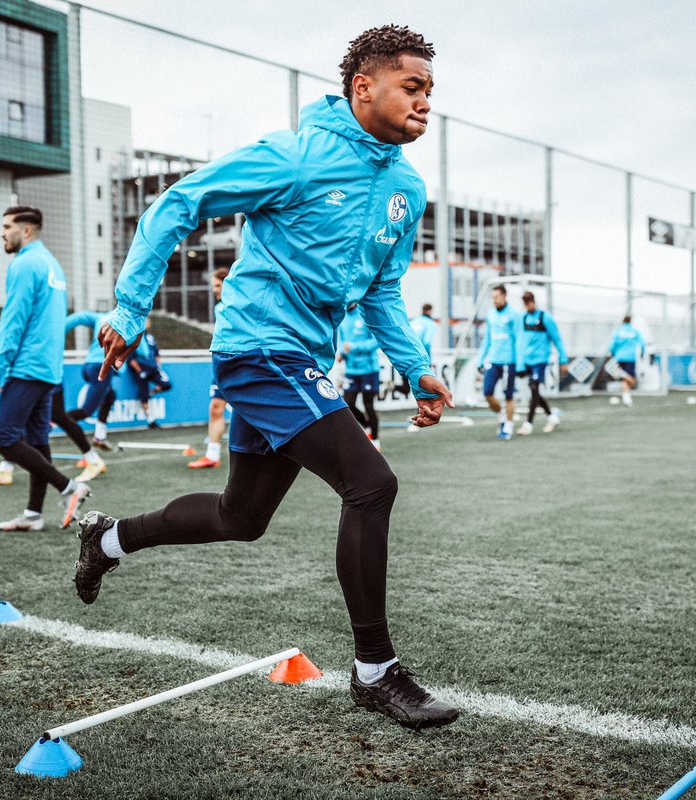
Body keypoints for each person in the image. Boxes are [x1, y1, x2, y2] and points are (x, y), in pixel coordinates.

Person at [72, 25, 459, 729]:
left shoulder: (405, 187)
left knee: (240, 518)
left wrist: (417, 366)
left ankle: (106, 538)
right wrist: (130, 309)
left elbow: (381, 292)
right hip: (258, 350)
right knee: (371, 483)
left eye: (431, 90)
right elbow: (176, 204)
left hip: (303, 360)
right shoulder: (296, 155)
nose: (426, 102)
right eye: (414, 86)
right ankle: (375, 669)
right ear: (363, 86)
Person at [0, 207, 90, 531]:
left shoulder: (24, 264)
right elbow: (39, 319)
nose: (2, 233)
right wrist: (0, 338)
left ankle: (70, 487)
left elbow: (15, 321)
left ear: (26, 230)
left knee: (5, 440)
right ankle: (33, 514)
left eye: (7, 227)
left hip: (27, 367)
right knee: (37, 438)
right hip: (48, 366)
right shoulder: (50, 264)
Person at [0, 334, 107, 484]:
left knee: (53, 418)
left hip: (38, 372)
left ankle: (85, 468)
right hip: (42, 370)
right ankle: (7, 469)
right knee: (36, 421)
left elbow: (23, 328)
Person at [188, 267, 231, 469]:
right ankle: (212, 455)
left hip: (242, 362)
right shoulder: (218, 308)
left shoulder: (243, 305)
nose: (215, 290)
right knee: (215, 408)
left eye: (218, 285)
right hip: (221, 362)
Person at [65, 310, 119, 449]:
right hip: (102, 368)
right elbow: (142, 351)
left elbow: (80, 316)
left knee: (110, 396)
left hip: (89, 365)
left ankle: (100, 437)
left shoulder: (102, 317)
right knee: (86, 411)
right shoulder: (132, 321)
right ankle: (50, 423)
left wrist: (60, 328)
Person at [517, 291, 568, 435]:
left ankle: (528, 424)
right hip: (527, 361)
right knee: (535, 391)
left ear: (534, 301)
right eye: (525, 303)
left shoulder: (545, 317)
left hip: (540, 361)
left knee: (534, 388)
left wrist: (563, 360)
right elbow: (521, 341)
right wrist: (520, 363)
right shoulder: (524, 318)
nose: (528, 305)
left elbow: (557, 338)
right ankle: (552, 417)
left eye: (529, 302)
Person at [478, 284, 524, 440]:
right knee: (487, 393)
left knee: (508, 396)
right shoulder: (490, 314)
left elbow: (519, 339)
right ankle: (502, 415)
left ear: (504, 296)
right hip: (493, 361)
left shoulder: (514, 315)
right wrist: (480, 359)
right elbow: (487, 339)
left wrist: (520, 364)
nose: (494, 300)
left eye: (496, 297)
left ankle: (508, 426)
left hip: (508, 362)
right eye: (493, 298)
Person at [338, 307, 383, 452]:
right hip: (351, 370)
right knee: (348, 404)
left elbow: (376, 341)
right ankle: (366, 426)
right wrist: (341, 353)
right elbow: (342, 342)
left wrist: (353, 347)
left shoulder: (365, 314)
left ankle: (375, 439)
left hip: (369, 370)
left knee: (368, 405)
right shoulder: (342, 317)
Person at [127, 316, 172, 430]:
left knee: (167, 384)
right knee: (144, 394)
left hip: (152, 369)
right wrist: (140, 371)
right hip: (141, 370)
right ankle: (150, 419)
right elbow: (131, 358)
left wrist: (158, 366)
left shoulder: (150, 338)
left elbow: (156, 354)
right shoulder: (133, 338)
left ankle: (151, 393)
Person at [608, 314, 644, 407]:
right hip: (630, 357)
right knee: (631, 380)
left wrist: (613, 354)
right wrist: (642, 354)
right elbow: (642, 344)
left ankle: (626, 398)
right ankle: (626, 397)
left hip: (619, 357)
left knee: (624, 379)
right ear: (630, 321)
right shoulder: (635, 331)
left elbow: (612, 345)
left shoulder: (618, 331)